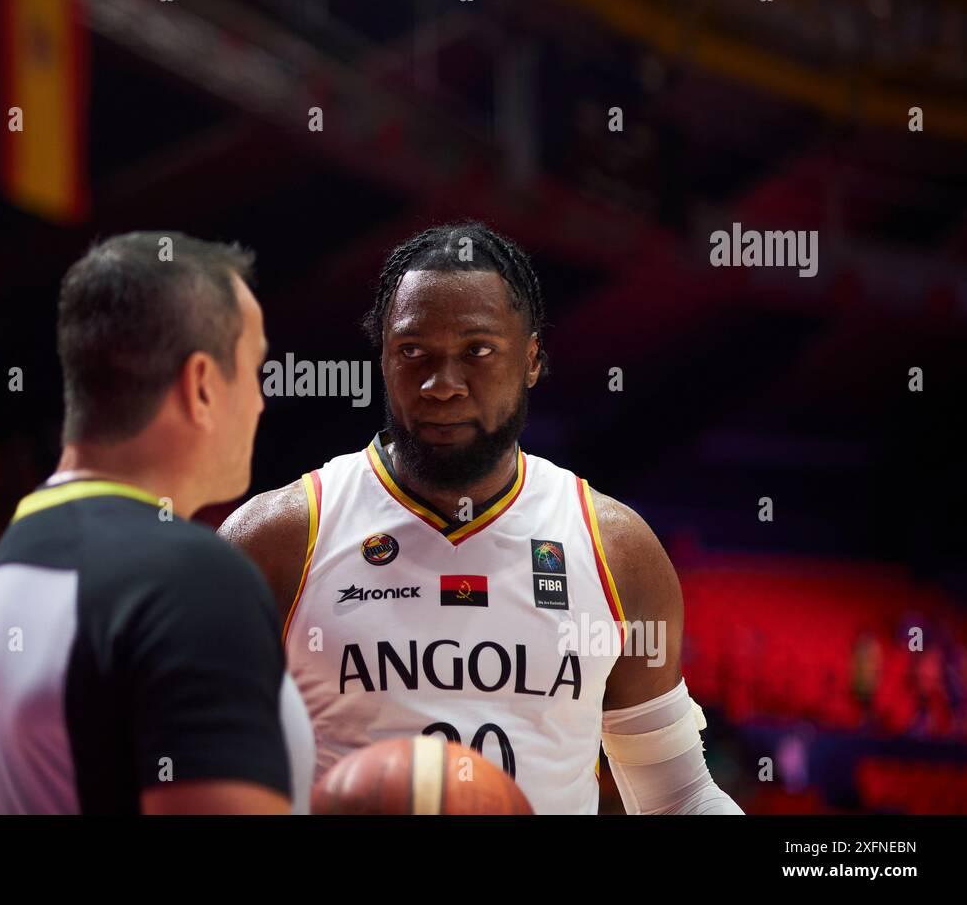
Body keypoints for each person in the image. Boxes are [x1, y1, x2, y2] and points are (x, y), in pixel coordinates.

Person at [220, 222, 740, 814]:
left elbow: (680, 798)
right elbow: (190, 779)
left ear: (532, 360)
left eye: (478, 351)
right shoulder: (275, 542)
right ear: (383, 357)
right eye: (413, 351)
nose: (443, 385)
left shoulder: (617, 552)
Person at [0, 232, 313, 814]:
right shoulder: (189, 578)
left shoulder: (6, 563)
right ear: (201, 386)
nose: (263, 401)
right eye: (254, 369)